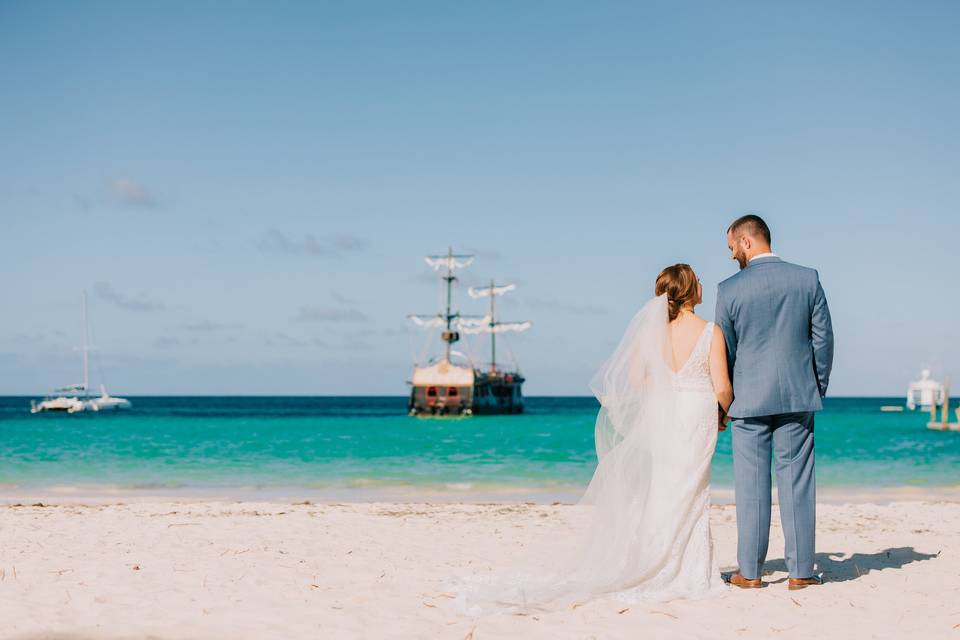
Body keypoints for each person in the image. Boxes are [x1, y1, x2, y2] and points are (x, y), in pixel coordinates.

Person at [451, 263, 731, 614]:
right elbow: (722, 386)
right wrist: (724, 413)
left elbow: (634, 377)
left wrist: (664, 394)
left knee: (664, 486)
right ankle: (687, 570)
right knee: (691, 486)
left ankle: (657, 560)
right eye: (699, 281)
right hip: (695, 417)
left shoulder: (655, 334)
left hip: (666, 417)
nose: (703, 285)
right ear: (690, 289)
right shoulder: (710, 332)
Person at [716, 214, 834, 590]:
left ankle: (750, 572)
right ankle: (800, 573)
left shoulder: (729, 289)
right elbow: (824, 342)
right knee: (797, 482)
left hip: (748, 399)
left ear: (747, 241)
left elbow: (726, 351)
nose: (731, 253)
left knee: (750, 487)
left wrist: (726, 403)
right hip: (797, 394)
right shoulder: (807, 278)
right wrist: (815, 386)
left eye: (732, 245)